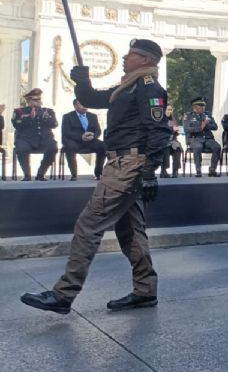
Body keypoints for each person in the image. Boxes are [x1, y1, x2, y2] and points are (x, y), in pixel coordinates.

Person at [20, 39, 168, 314]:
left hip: (128, 164)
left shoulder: (149, 87)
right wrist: (82, 80)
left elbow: (158, 130)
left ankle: (63, 294)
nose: (125, 57)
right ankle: (145, 291)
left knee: (89, 225)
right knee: (131, 230)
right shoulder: (128, 85)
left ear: (147, 60)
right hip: (123, 162)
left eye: (132, 54)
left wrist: (149, 172)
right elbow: (93, 99)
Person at [11, 88, 58, 181]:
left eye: (39, 99)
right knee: (22, 148)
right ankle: (27, 175)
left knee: (53, 147)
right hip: (25, 139)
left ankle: (41, 174)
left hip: (44, 139)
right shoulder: (19, 111)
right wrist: (29, 118)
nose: (39, 101)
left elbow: (54, 124)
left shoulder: (48, 111)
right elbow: (16, 124)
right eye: (36, 100)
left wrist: (47, 118)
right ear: (28, 101)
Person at [61, 99, 106, 181]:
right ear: (75, 106)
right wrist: (81, 137)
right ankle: (74, 174)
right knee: (69, 147)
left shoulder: (93, 116)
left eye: (85, 104)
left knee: (102, 146)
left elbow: (98, 130)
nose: (84, 106)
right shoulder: (67, 117)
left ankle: (98, 173)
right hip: (75, 141)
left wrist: (93, 136)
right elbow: (66, 132)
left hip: (90, 141)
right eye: (81, 104)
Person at [184, 97, 221, 177]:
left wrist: (206, 124)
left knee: (217, 147)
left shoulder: (207, 115)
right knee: (198, 147)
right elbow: (187, 129)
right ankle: (198, 170)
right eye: (200, 105)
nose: (203, 107)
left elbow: (215, 127)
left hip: (207, 138)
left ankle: (212, 170)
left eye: (204, 105)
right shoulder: (188, 116)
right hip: (194, 139)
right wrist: (201, 126)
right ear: (194, 106)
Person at [159, 105, 182, 178]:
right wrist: (172, 129)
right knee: (166, 149)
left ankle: (175, 170)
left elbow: (176, 131)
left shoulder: (173, 119)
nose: (169, 111)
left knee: (178, 149)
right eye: (168, 110)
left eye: (170, 110)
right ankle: (164, 170)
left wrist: (177, 130)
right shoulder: (160, 119)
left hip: (172, 140)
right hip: (163, 141)